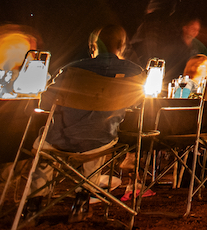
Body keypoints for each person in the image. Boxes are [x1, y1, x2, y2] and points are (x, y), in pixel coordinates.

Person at [41, 25, 145, 219]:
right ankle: (83, 197)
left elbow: (46, 102)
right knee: (98, 132)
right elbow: (138, 102)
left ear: (92, 47)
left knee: (45, 144)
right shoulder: (136, 73)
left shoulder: (72, 69)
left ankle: (34, 201)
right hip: (102, 141)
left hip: (61, 140)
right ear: (122, 46)